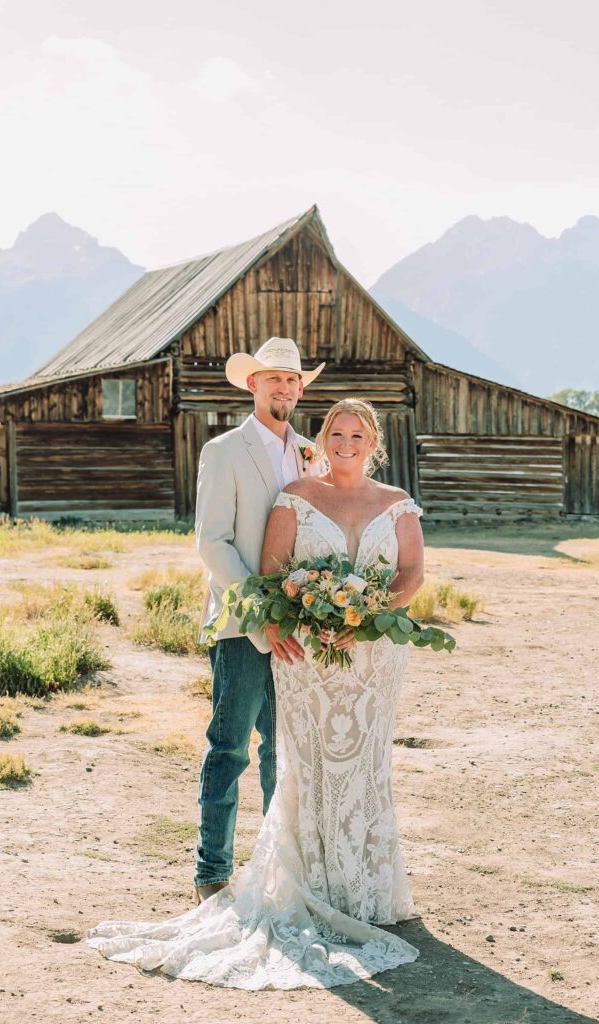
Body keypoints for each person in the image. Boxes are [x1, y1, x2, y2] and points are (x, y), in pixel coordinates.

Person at [88, 399, 425, 990]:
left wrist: (368, 611)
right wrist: (300, 615)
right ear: (322, 440)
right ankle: (292, 881)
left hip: (374, 658)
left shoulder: (397, 503)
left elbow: (411, 576)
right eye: (336, 433)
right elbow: (271, 575)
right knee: (300, 762)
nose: (346, 442)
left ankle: (368, 889)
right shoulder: (295, 496)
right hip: (307, 657)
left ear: (374, 443)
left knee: (369, 764)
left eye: (357, 435)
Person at [192, 336, 324, 903]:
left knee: (284, 752)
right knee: (230, 749)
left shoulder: (312, 453)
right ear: (253, 385)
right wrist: (258, 616)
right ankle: (212, 872)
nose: (285, 388)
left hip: (300, 627)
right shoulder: (223, 451)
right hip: (240, 625)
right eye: (274, 379)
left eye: (293, 380)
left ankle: (278, 868)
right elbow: (212, 543)